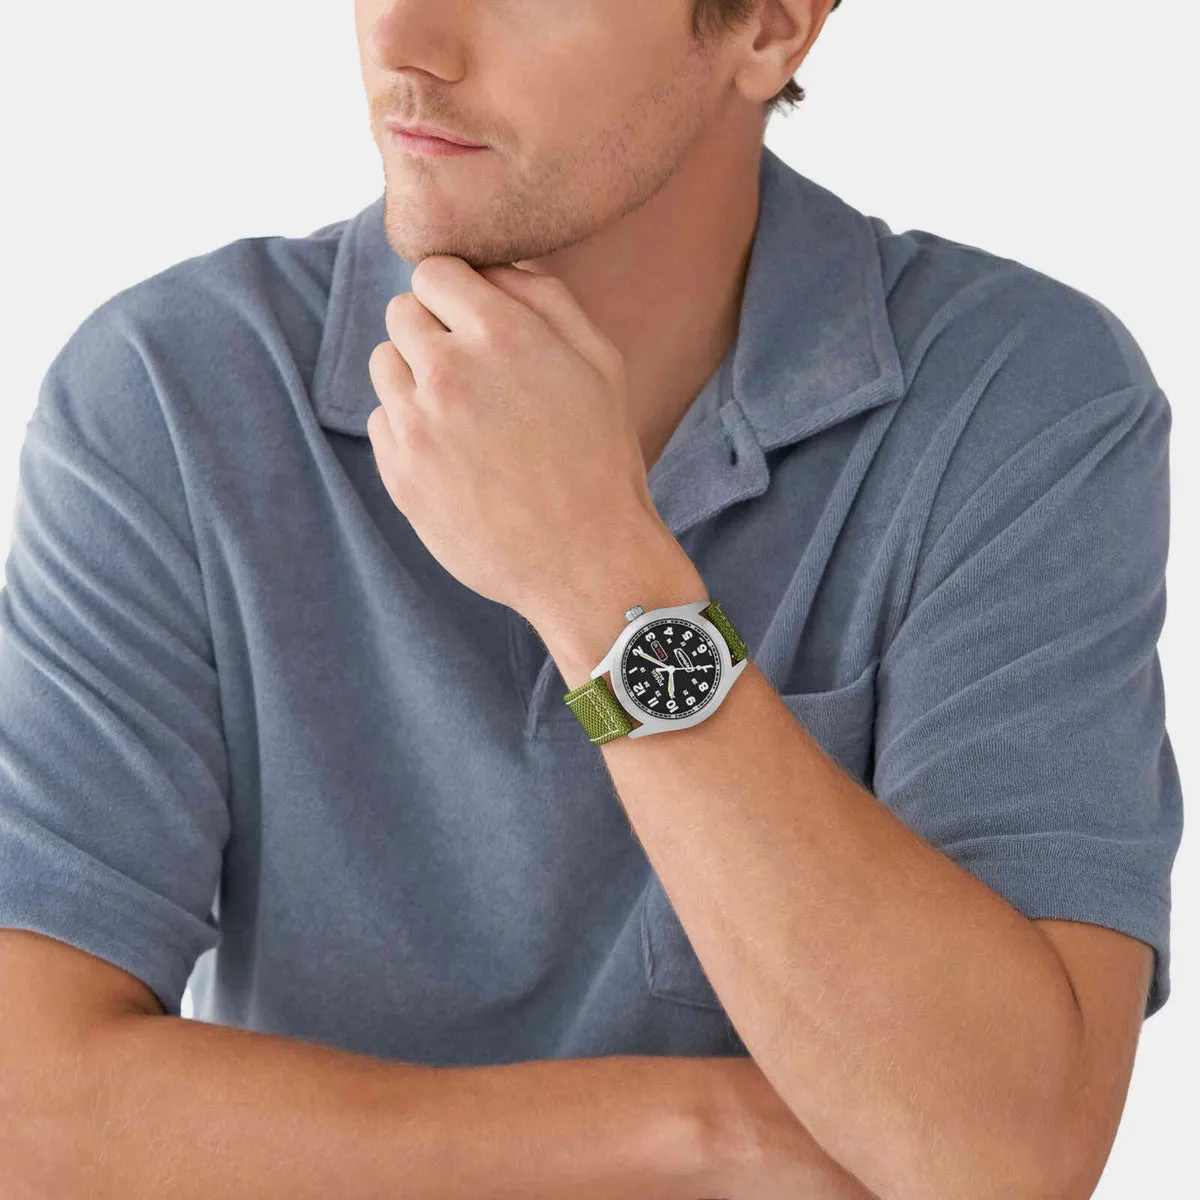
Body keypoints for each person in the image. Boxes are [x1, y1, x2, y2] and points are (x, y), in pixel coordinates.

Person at [0, 1, 1181, 1197]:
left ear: (771, 28)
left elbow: (1005, 1156)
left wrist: (599, 576)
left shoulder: (1017, 402)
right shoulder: (172, 392)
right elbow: (30, 1112)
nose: (404, 42)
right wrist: (703, 1138)